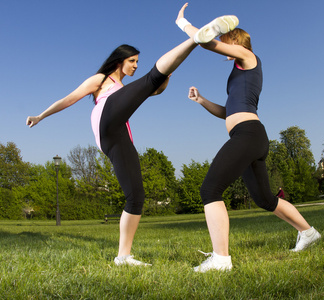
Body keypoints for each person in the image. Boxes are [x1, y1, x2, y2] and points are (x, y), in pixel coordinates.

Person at [26, 11, 238, 267]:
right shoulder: (102, 80)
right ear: (120, 61)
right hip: (107, 123)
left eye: (137, 61)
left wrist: (165, 78)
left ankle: (123, 256)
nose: (135, 65)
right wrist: (41, 116)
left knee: (136, 196)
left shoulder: (125, 90)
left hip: (117, 139)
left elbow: (155, 90)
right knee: (151, 77)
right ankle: (195, 38)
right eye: (132, 60)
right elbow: (69, 98)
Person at [176, 3, 321, 272]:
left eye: (224, 37)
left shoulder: (247, 56)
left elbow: (206, 42)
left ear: (234, 38)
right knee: (265, 199)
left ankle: (221, 259)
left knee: (209, 190)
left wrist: (182, 23)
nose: (221, 42)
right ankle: (309, 232)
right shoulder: (238, 73)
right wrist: (201, 101)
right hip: (250, 135)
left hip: (248, 135)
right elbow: (227, 112)